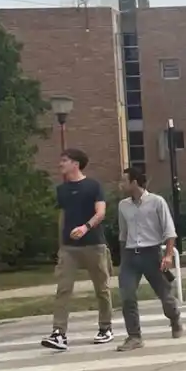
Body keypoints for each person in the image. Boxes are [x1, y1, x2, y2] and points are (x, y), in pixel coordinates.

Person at [41, 148, 114, 352]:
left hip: (94, 244)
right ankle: (59, 333)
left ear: (76, 164)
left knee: (102, 288)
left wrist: (85, 227)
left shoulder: (93, 186)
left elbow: (101, 213)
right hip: (69, 249)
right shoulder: (61, 190)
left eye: (64, 161)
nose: (60, 164)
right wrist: (60, 245)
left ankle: (105, 328)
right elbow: (63, 217)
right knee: (63, 289)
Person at [116, 166, 183, 351]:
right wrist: (122, 259)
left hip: (151, 254)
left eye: (124, 181)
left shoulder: (156, 202)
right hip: (130, 255)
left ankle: (175, 318)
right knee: (127, 295)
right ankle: (134, 336)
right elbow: (123, 234)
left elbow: (170, 232)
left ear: (134, 182)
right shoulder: (123, 206)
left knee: (165, 296)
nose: (120, 184)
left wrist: (168, 255)